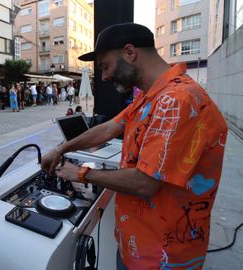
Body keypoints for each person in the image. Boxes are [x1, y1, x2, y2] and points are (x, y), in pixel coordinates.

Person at [41, 23, 228, 270]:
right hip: (136, 245)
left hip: (162, 258)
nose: (105, 76)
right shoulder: (151, 96)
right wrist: (61, 149)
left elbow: (145, 183)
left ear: (129, 52)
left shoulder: (178, 100)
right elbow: (108, 128)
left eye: (105, 66)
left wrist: (81, 174)